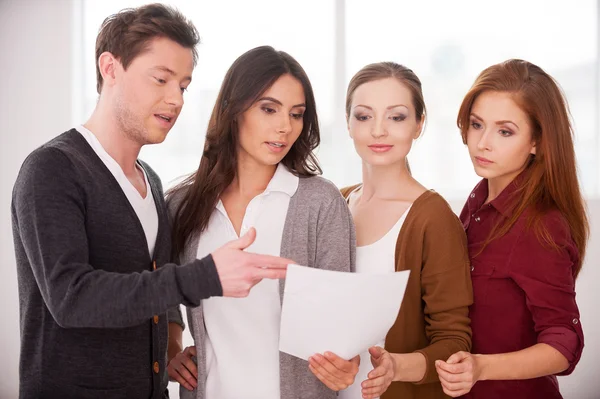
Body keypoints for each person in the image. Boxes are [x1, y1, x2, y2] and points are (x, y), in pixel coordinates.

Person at [11, 5, 290, 399]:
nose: (175, 99)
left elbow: (153, 288)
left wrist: (171, 348)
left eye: (183, 85)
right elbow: (71, 298)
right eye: (161, 79)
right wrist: (207, 276)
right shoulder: (53, 169)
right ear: (110, 68)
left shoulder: (152, 183)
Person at [165, 45, 358, 399]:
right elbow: (160, 288)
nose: (285, 127)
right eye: (269, 109)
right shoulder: (181, 206)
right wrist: (171, 349)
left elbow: (340, 326)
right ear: (233, 110)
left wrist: (345, 364)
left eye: (296, 114)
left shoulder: (320, 203)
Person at [435, 59, 588, 399]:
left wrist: (482, 367)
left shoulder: (541, 225)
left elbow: (564, 343)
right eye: (477, 125)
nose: (482, 143)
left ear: (537, 141)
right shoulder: (478, 201)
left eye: (504, 131)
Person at [334, 62, 473, 399]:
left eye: (396, 117)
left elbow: (454, 342)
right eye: (364, 116)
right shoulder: (335, 203)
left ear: (419, 124)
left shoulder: (433, 218)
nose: (379, 131)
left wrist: (395, 366)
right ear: (348, 124)